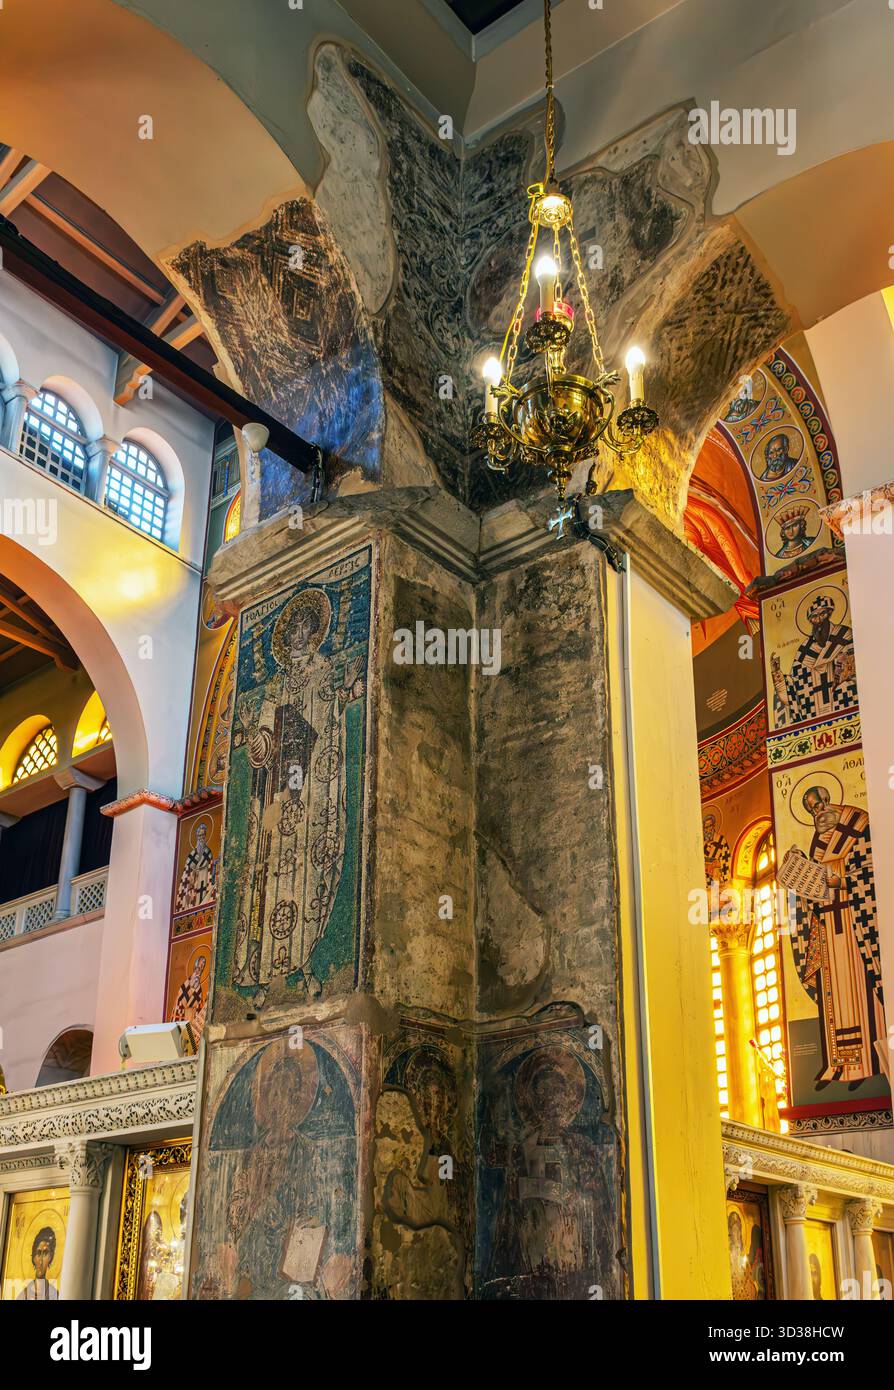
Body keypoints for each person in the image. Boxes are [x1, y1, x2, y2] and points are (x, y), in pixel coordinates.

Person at [791, 786, 885, 1089]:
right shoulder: (819, 838)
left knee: (861, 994)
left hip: (856, 921)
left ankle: (870, 1061)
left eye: (819, 803)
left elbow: (874, 871)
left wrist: (841, 881)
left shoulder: (859, 823)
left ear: (829, 799)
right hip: (830, 928)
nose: (817, 811)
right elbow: (817, 881)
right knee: (837, 1000)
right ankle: (841, 1066)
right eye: (811, 808)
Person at [16, 1227, 59, 1300]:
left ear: (50, 1257)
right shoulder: (23, 1296)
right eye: (38, 1253)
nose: (41, 1261)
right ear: (34, 1257)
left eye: (45, 1253)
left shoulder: (55, 1295)